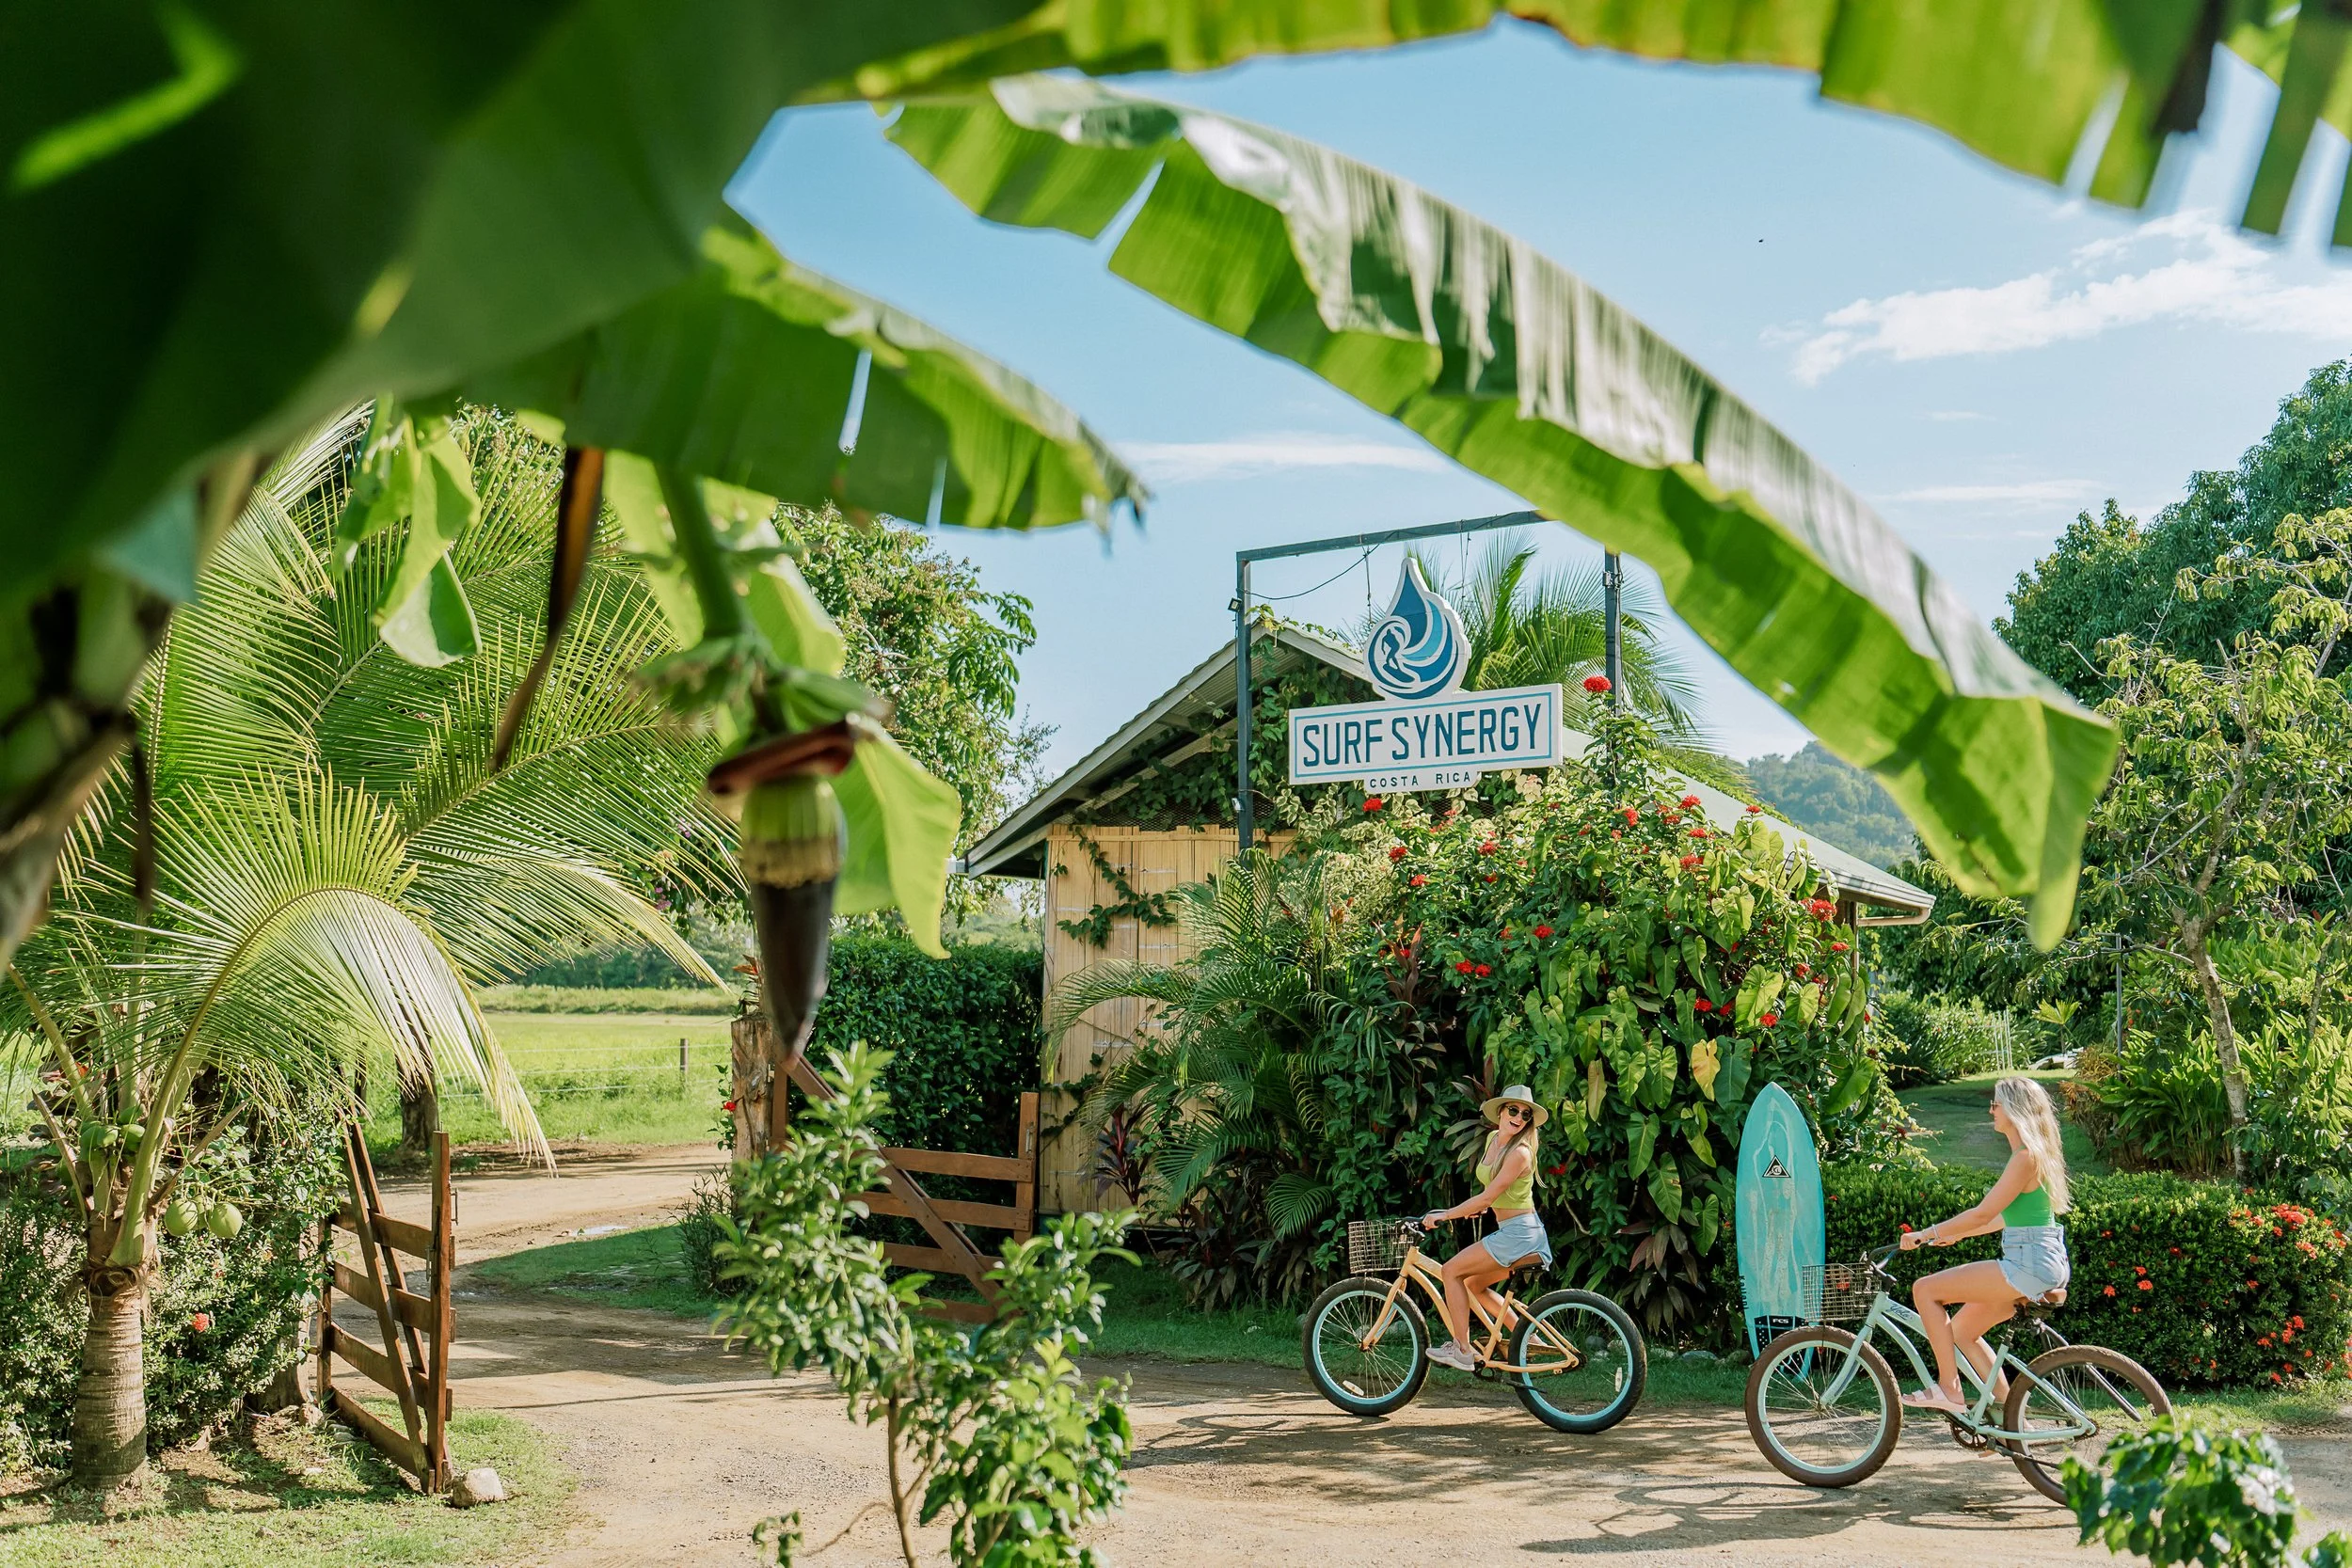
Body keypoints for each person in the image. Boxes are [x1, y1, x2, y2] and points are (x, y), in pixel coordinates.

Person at [1896, 1075, 2073, 1413]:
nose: (1991, 1110)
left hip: (2028, 1265)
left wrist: (1926, 1233)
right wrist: (1956, 1233)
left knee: (1925, 1290)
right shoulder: (2032, 1156)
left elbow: (1982, 1214)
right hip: (2041, 1262)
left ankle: (1949, 1389)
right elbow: (2003, 1219)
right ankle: (2007, 1420)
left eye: (1996, 1103)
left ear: (2014, 1110)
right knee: (1962, 1332)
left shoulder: (2025, 1158)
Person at [1420, 1085, 1552, 1371]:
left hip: (1520, 1234)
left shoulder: (1521, 1153)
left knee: (1450, 1271)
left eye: (1525, 1114)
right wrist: (1480, 1207)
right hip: (1513, 1231)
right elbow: (1492, 1192)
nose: (1518, 1117)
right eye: (1513, 1110)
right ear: (1501, 1112)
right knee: (1473, 1285)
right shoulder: (1494, 1139)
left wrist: (1446, 1215)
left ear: (1528, 1122)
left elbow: (1489, 1196)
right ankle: (1527, 1336)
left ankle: (1462, 1350)